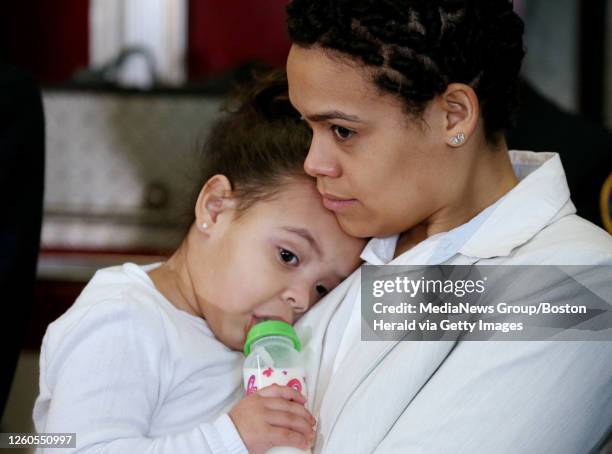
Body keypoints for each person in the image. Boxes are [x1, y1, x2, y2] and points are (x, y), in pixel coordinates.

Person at [284, 1, 612, 453]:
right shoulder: (333, 235)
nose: (313, 162)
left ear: (454, 115)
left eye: (342, 131)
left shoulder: (580, 280)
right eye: (309, 128)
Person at [32, 75, 365, 453]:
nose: (301, 299)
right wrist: (229, 439)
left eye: (323, 287)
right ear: (215, 207)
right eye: (287, 255)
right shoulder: (124, 320)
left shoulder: (245, 337)